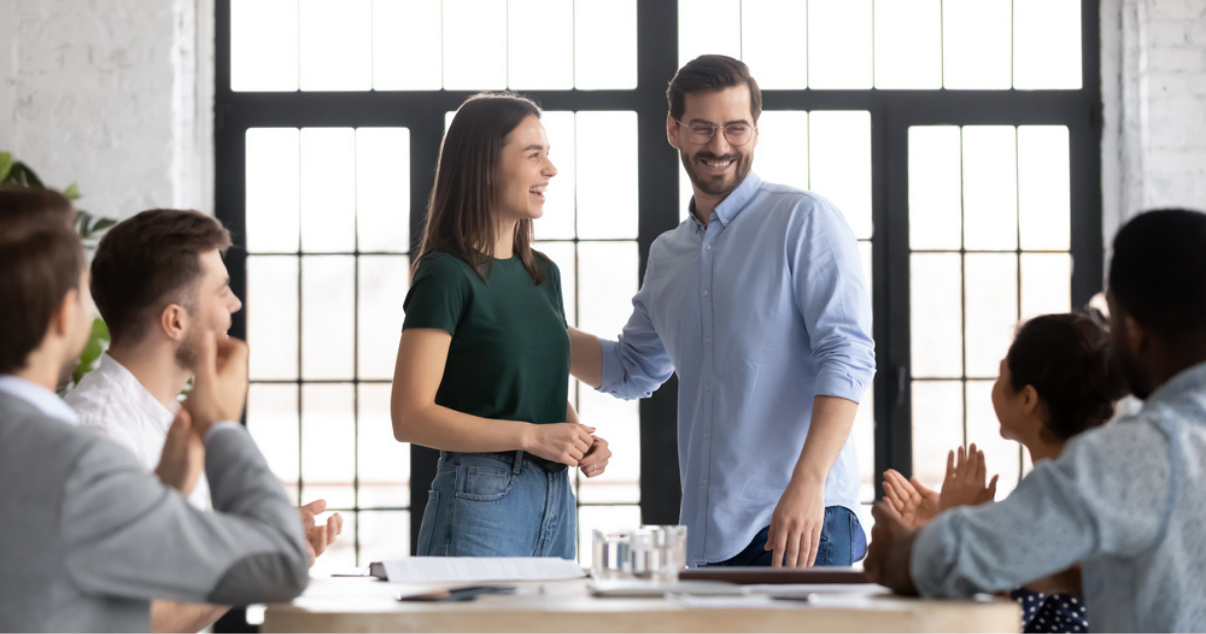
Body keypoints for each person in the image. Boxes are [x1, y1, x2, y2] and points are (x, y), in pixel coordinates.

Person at [567, 55, 875, 568]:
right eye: (703, 128)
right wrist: (529, 327)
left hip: (801, 520)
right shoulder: (669, 254)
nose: (719, 146)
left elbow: (848, 355)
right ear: (674, 129)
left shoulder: (804, 219)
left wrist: (809, 482)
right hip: (710, 534)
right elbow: (631, 369)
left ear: (755, 130)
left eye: (736, 129)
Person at [865, 208, 1206, 632]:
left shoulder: (1140, 453)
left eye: (1112, 315)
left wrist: (900, 550)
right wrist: (1063, 575)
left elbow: (942, 560)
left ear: (1134, 331)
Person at [0, 190, 309, 632]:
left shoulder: (139, 434)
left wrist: (168, 493)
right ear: (65, 315)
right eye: (222, 291)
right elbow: (278, 562)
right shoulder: (90, 447)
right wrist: (221, 423)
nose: (236, 304)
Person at [62, 208, 341, 632]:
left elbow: (181, 592)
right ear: (175, 320)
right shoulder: (102, 436)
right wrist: (263, 565)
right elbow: (142, 622)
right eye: (223, 291)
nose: (236, 303)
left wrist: (266, 551)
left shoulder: (169, 415)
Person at [390, 92, 612, 559]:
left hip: (554, 493)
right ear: (483, 165)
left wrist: (577, 437)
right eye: (534, 155)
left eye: (548, 155)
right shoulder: (446, 273)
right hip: (482, 493)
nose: (550, 170)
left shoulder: (543, 274)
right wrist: (532, 436)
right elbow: (409, 416)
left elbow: (532, 392)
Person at [881, 312, 1127, 633]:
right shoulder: (1091, 481)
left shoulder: (1053, 499)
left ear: (1027, 399)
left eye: (1001, 375)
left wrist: (955, 522)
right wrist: (953, 520)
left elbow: (990, 620)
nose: (995, 387)